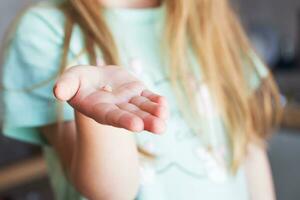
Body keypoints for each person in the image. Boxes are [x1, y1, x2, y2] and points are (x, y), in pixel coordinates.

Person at [1, 0, 282, 199]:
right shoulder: (45, 28)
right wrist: (99, 115)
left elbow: (250, 155)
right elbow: (111, 191)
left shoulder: (211, 23)